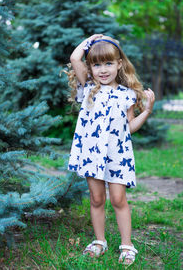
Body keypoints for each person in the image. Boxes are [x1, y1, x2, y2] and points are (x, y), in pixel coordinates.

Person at [66, 34, 155, 265]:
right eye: (96, 64)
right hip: (92, 154)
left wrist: (146, 111)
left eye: (108, 63)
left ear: (119, 64)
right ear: (90, 68)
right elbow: (75, 57)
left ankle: (127, 245)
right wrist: (91, 40)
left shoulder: (127, 94)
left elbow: (129, 127)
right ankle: (99, 242)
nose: (102, 70)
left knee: (118, 199)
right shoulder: (87, 88)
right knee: (96, 199)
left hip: (118, 155)